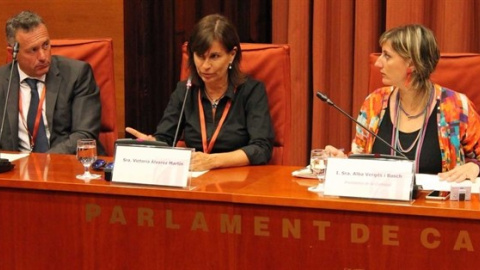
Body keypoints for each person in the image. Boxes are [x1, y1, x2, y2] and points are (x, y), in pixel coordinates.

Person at [326, 24, 480, 182]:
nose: (378, 63)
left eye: (387, 56)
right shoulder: (374, 103)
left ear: (412, 63)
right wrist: (343, 163)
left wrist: (475, 166)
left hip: (437, 204)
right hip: (379, 204)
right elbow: (359, 159)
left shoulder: (456, 106)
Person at [126, 14, 274, 171]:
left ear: (232, 55)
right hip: (195, 180)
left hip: (239, 181)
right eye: (200, 56)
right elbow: (166, 138)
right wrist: (153, 144)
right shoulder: (185, 90)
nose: (205, 66)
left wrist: (212, 161)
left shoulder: (251, 91)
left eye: (214, 56)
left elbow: (261, 148)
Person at [0, 11, 104, 154]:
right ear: (14, 52)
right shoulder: (2, 81)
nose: (43, 56)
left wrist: (42, 164)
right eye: (33, 50)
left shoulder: (77, 74)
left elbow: (84, 136)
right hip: (17, 171)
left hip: (66, 166)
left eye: (46, 45)